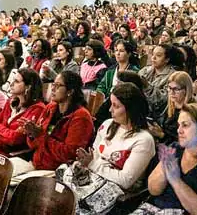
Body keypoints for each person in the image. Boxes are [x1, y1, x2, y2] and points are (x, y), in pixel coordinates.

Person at [63, 83, 155, 214]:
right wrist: (84, 163)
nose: (110, 110)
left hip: (117, 192)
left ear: (130, 109)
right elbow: (94, 155)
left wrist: (92, 163)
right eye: (111, 104)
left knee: (71, 203)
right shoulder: (107, 125)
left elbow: (125, 181)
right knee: (62, 180)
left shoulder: (143, 140)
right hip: (94, 177)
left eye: (116, 106)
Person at [132, 103, 197, 214]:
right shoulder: (175, 149)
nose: (178, 130)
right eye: (179, 125)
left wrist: (176, 181)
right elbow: (153, 190)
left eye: (185, 125)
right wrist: (165, 170)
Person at [11, 71, 94, 174]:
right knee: (0, 171)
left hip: (58, 171)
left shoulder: (81, 117)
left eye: (58, 86)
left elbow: (69, 154)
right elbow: (34, 145)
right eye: (53, 84)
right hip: (36, 164)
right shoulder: (51, 107)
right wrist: (32, 134)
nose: (53, 88)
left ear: (70, 91)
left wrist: (40, 135)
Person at [0, 68, 45, 155]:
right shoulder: (10, 102)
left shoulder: (37, 109)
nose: (11, 84)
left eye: (17, 81)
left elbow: (15, 139)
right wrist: (7, 133)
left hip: (14, 155)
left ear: (28, 87)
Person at [147, 71, 195, 145]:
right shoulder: (163, 104)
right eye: (169, 88)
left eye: (176, 89)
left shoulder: (192, 111)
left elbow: (187, 141)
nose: (172, 92)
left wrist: (161, 135)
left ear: (186, 90)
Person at [139, 44, 180, 119]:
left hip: (159, 116)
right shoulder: (145, 70)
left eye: (158, 55)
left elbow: (163, 100)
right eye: (153, 54)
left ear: (167, 59)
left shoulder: (173, 76)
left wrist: (147, 86)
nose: (153, 58)